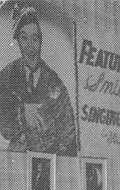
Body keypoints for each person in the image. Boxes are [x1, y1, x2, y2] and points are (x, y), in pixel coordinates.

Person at [0, 7, 77, 155]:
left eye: (35, 38)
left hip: (47, 159)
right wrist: (22, 110)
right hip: (17, 158)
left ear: (41, 42)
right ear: (17, 41)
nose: (30, 45)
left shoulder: (54, 82)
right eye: (24, 38)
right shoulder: (8, 75)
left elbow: (69, 134)